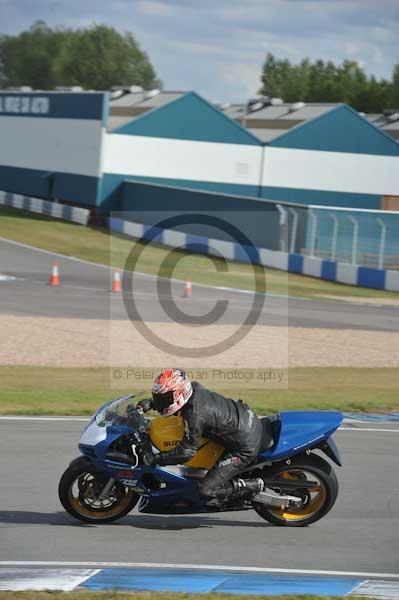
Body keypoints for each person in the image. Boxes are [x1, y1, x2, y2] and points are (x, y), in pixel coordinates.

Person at [137, 368, 272, 507]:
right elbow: (172, 401)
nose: (160, 401)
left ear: (179, 394)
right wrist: (152, 403)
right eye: (158, 397)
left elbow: (187, 452)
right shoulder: (193, 389)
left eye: (163, 399)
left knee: (206, 490)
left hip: (245, 446)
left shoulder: (194, 415)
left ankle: (252, 485)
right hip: (245, 418)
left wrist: (157, 459)